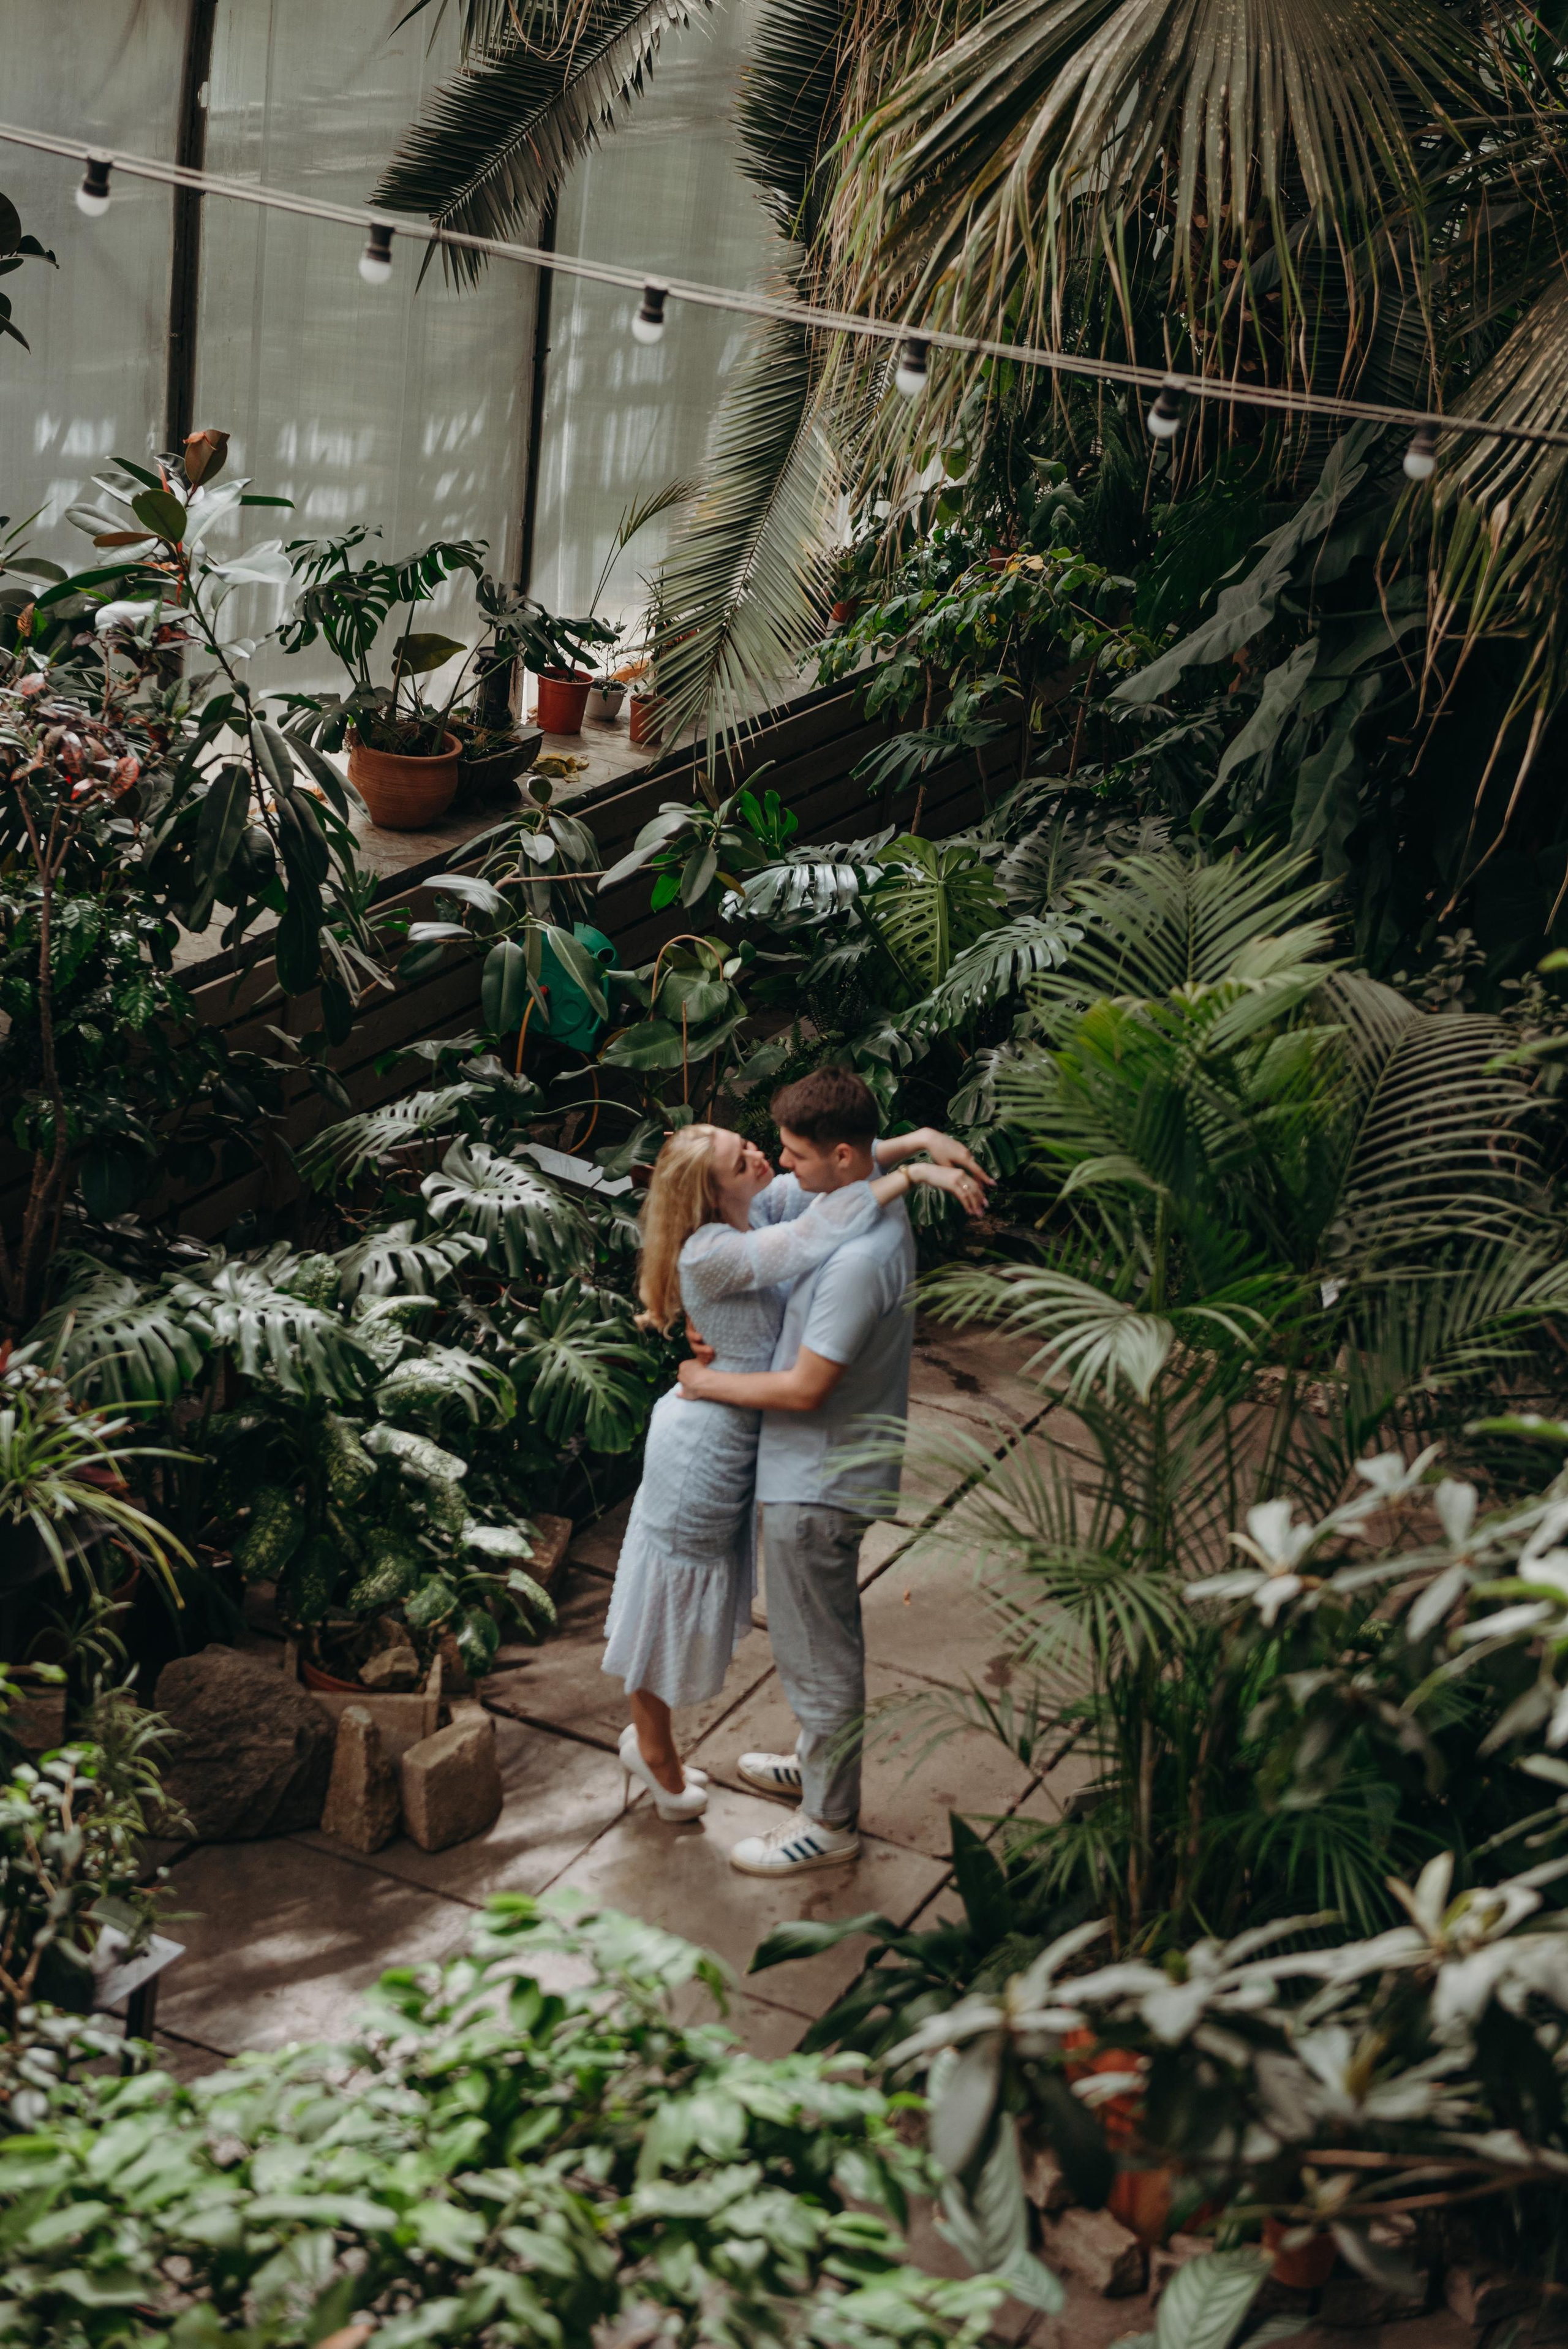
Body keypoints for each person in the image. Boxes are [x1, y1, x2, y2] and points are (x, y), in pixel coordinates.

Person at [602, 1120, 978, 1821]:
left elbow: (827, 1181)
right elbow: (812, 1238)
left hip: (737, 1432)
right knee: (665, 1598)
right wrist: (916, 1175)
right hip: (705, 1449)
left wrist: (911, 1142)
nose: (757, 1155)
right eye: (737, 1157)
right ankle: (651, 1749)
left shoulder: (755, 1207)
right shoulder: (714, 1250)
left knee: (679, 1594)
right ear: (709, 1193)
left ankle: (654, 1742)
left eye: (745, 1142)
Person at [677, 1067, 991, 1877]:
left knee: (820, 1652)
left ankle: (830, 1819)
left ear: (841, 1155)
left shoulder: (858, 1259)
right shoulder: (852, 1193)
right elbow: (839, 1182)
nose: (781, 1168)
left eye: (792, 1154)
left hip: (815, 1480)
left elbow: (806, 1385)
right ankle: (819, 1760)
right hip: (814, 1463)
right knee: (807, 1642)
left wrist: (707, 1382)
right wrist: (917, 1148)